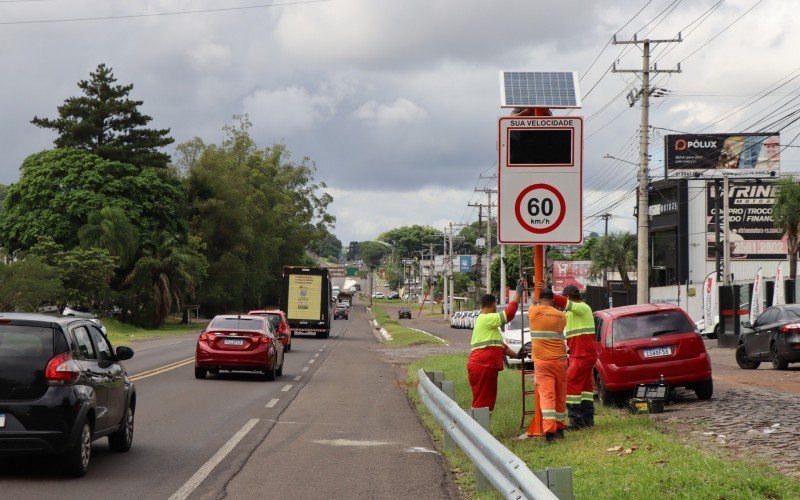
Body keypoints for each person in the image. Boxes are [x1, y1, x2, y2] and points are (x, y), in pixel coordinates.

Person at [467, 281, 524, 412]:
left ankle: (478, 427)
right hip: (483, 366)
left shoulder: (486, 324)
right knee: (482, 402)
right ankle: (476, 428)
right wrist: (518, 294)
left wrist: (516, 355)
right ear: (493, 305)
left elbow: (500, 346)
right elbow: (508, 314)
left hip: (483, 366)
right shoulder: (487, 318)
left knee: (485, 400)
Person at [553, 284, 597, 429]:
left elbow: (563, 303)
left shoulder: (583, 308)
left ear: (568, 297)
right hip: (580, 354)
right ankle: (587, 420)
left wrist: (548, 293)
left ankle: (576, 421)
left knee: (571, 383)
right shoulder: (571, 313)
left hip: (582, 355)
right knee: (585, 388)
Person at [527, 289, 568, 442]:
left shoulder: (533, 311)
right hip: (560, 360)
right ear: (553, 300)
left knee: (547, 396)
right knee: (560, 394)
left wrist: (535, 302)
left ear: (540, 299)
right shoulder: (561, 316)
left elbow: (532, 310)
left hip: (542, 362)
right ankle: (560, 427)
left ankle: (550, 432)